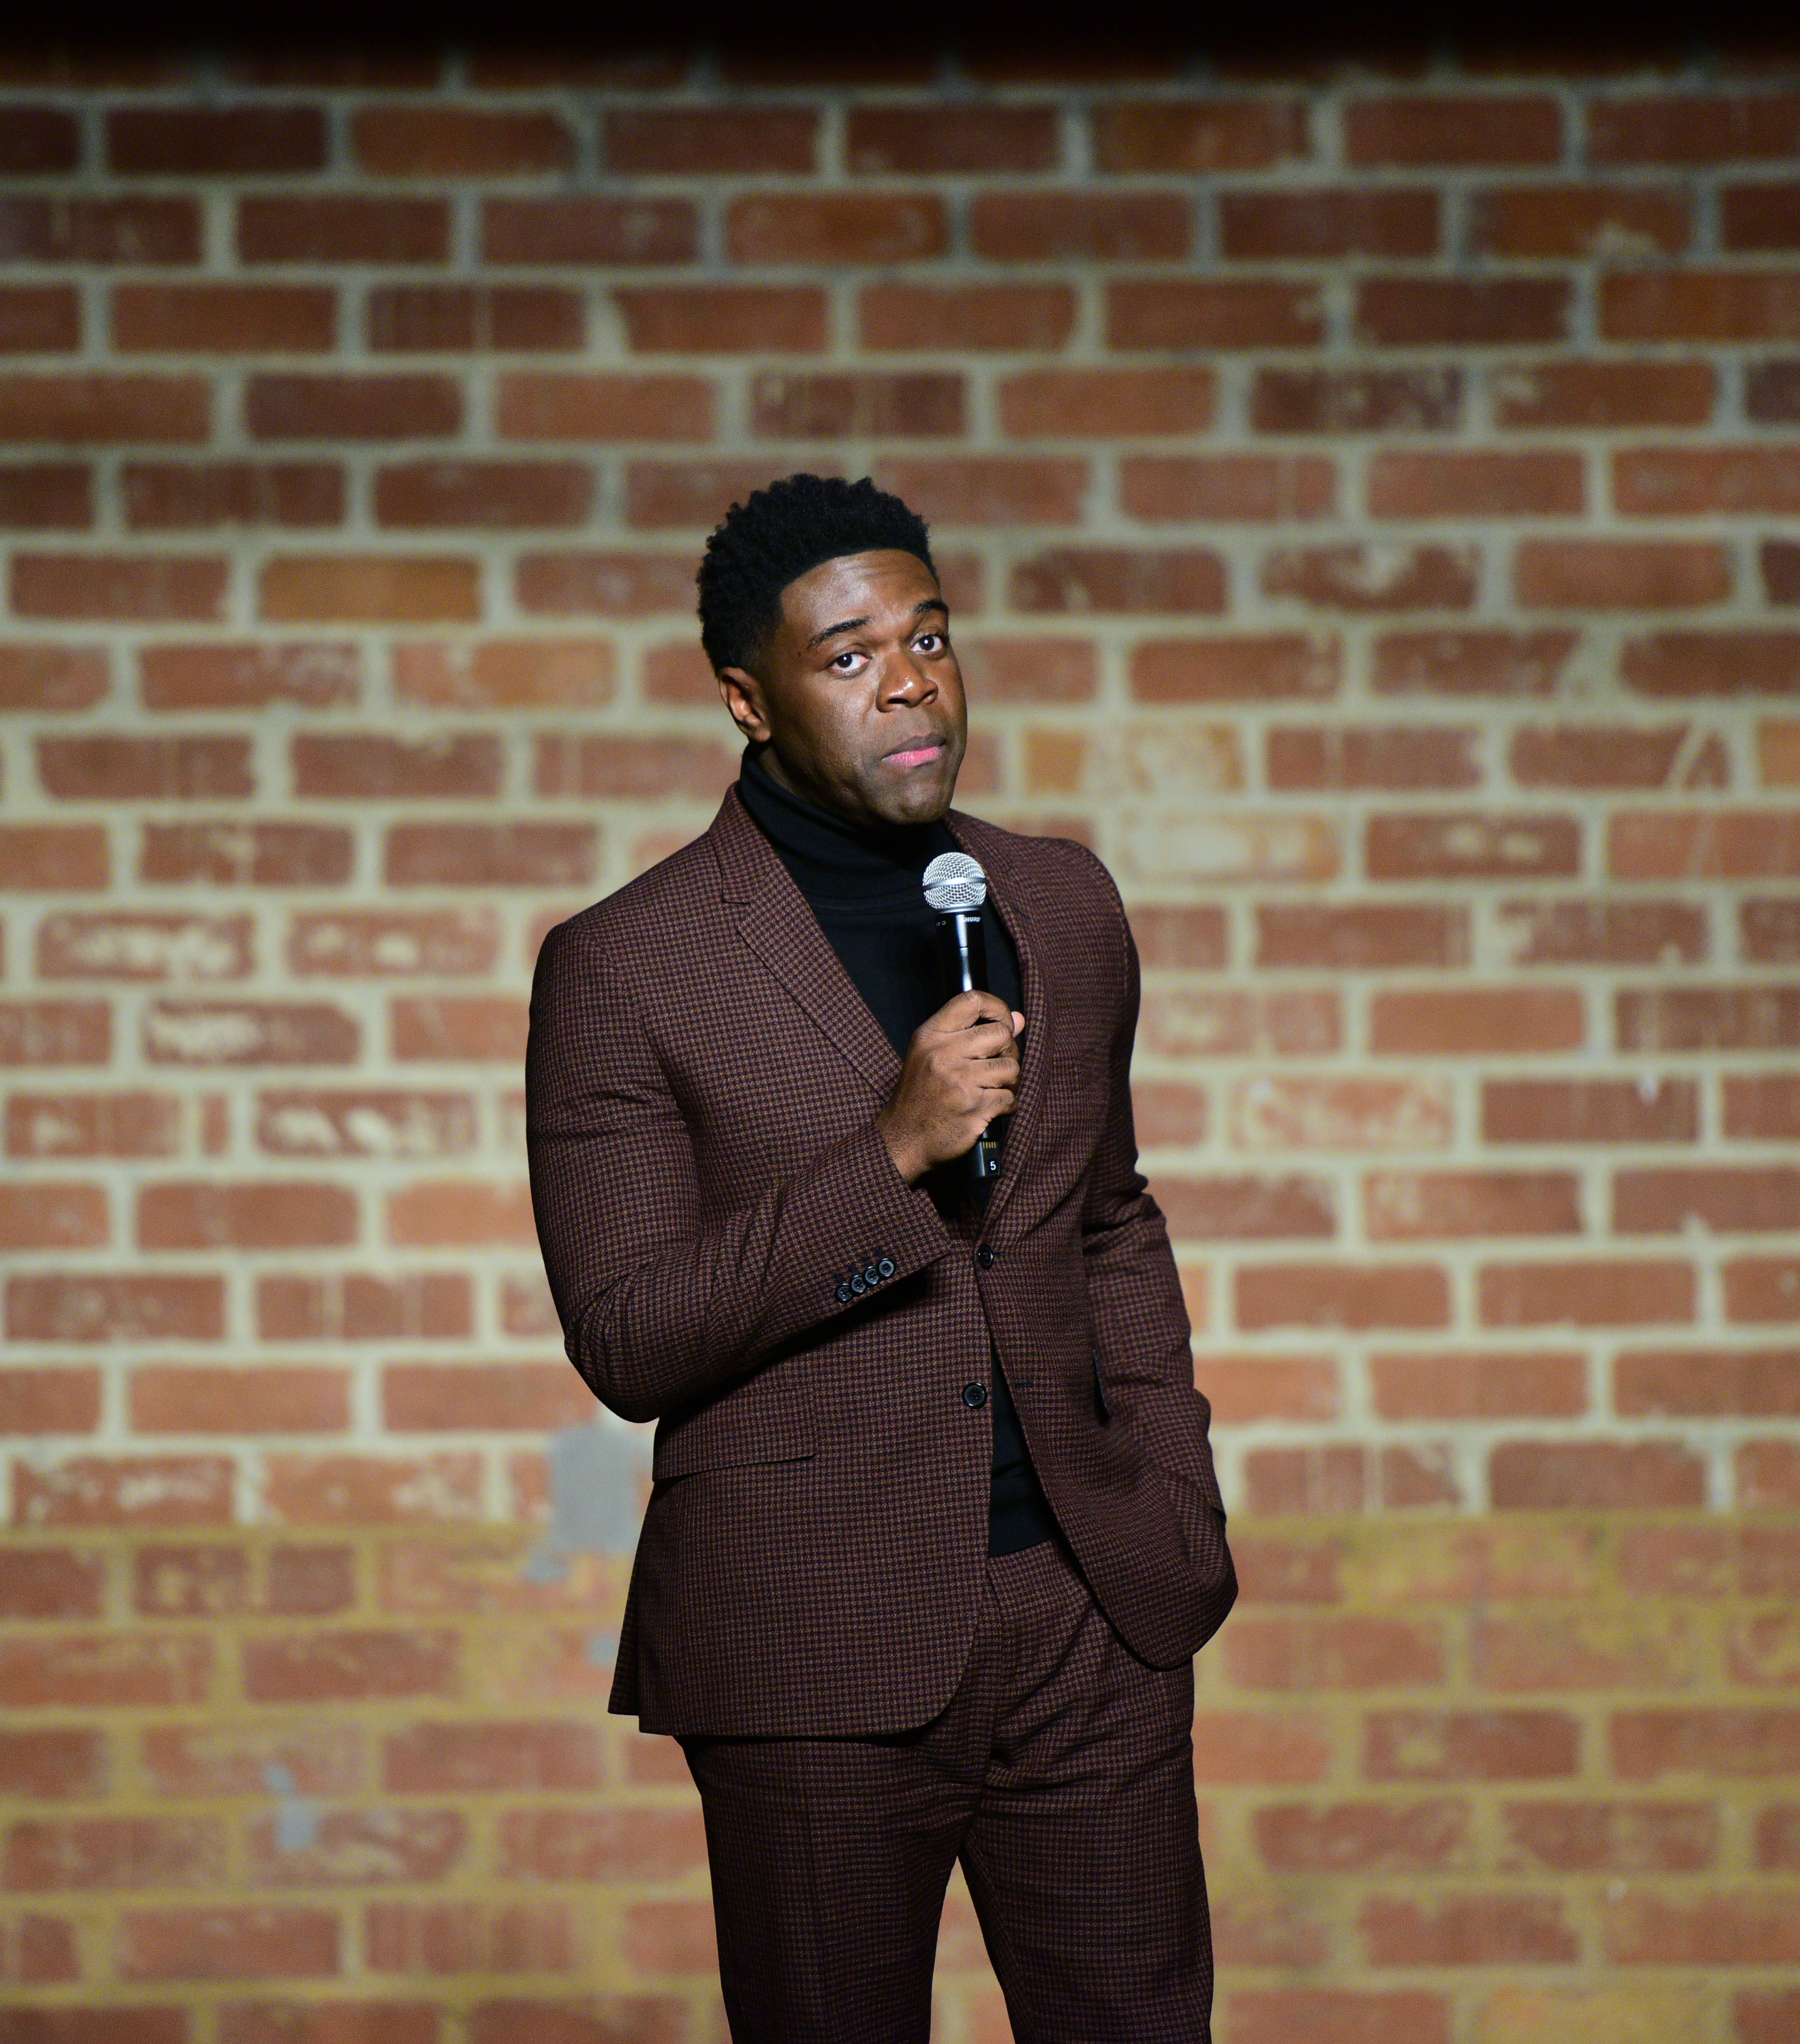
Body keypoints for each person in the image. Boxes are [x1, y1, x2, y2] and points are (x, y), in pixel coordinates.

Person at [524, 474, 1234, 2042]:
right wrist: (889, 1158)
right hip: (810, 1644)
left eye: (929, 637)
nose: (907, 680)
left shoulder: (1058, 901)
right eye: (846, 657)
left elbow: (1108, 1221)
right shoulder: (627, 967)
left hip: (1089, 1613)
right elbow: (630, 1336)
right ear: (747, 702)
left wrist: (1168, 1489)